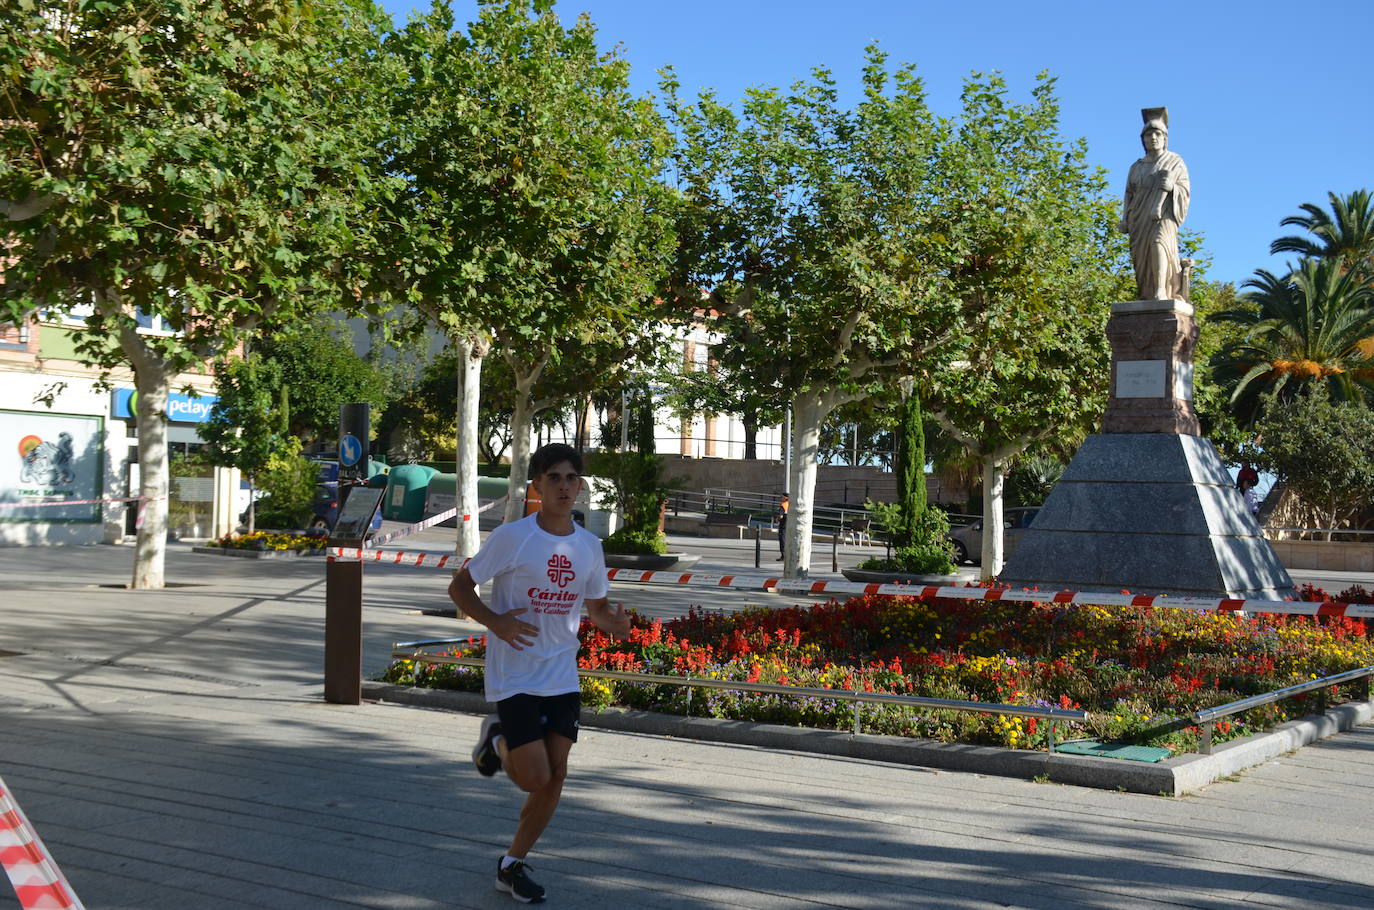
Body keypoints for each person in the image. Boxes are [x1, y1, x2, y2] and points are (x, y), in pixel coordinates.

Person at [449, 442, 630, 904]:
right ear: (537, 485)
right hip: (515, 674)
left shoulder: (590, 546)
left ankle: (511, 865)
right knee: (533, 778)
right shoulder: (513, 537)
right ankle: (497, 739)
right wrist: (497, 622)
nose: (564, 486)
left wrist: (616, 624)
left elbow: (598, 608)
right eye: (554, 478)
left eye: (572, 478)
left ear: (581, 486)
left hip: (561, 674)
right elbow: (460, 587)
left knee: (556, 775)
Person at [1119, 107, 1191, 301]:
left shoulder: (1174, 161)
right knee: (1142, 257)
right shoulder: (1136, 166)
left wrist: (1172, 187)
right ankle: (1147, 292)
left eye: (1157, 134)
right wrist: (1125, 218)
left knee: (1159, 243)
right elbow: (1129, 194)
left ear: (1164, 137)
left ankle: (1161, 290)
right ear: (1142, 139)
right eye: (1148, 134)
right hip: (1139, 217)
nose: (1153, 138)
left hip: (1164, 213)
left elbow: (1184, 190)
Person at [775, 492, 789, 561]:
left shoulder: (783, 505)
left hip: (783, 523)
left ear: (785, 498)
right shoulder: (790, 504)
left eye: (782, 497)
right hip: (788, 523)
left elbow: (781, 515)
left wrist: (777, 519)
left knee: (782, 539)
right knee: (786, 538)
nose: (781, 498)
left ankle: (783, 555)